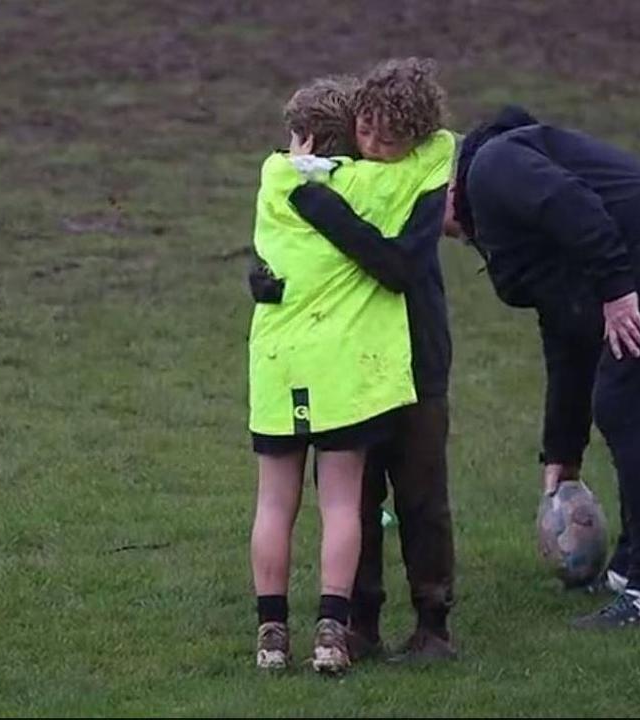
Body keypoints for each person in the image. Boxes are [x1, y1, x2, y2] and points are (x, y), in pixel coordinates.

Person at [449, 104, 640, 627]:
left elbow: (577, 205)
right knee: (631, 404)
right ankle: (635, 564)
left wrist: (617, 291)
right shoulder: (502, 211)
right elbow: (567, 338)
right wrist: (561, 455)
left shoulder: (493, 166)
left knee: (634, 407)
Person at [248, 76, 454, 673]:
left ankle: (432, 624)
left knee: (421, 498)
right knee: (355, 498)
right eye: (366, 131)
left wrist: (314, 204)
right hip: (351, 365)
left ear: (416, 140)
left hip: (416, 358)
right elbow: (290, 253)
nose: (374, 146)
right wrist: (262, 278)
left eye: (391, 139)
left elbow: (398, 267)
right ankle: (356, 624)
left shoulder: (415, 187)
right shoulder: (344, 174)